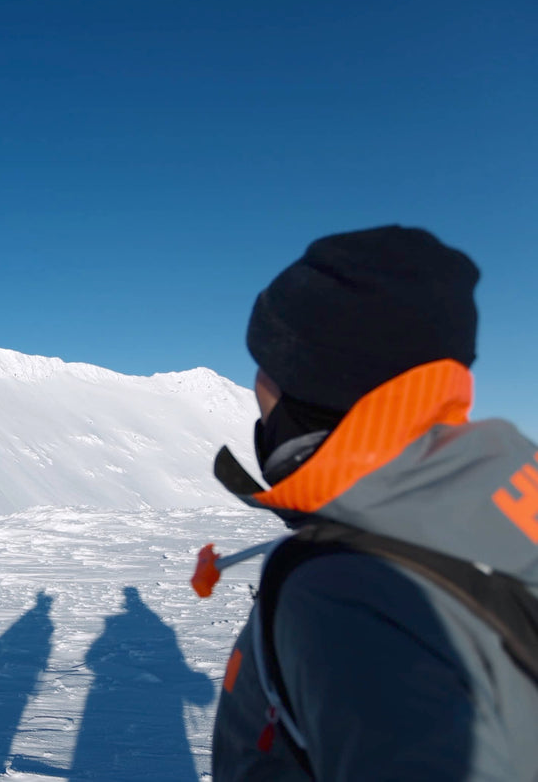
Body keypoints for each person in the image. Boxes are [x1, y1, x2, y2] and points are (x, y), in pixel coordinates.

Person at [209, 226, 538, 780]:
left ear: (313, 377)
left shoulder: (351, 588)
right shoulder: (499, 500)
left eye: (266, 362)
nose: (255, 384)